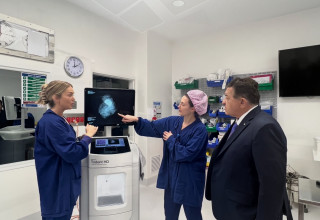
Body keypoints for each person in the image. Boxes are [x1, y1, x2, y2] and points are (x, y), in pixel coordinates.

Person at [205, 77, 292, 220]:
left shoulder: (265, 128)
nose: (223, 101)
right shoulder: (241, 121)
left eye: (227, 97)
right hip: (231, 208)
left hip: (245, 213)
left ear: (242, 102)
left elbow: (272, 187)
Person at [119, 90, 208, 220]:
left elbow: (187, 154)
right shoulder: (173, 122)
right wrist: (136, 120)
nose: (179, 106)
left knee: (193, 215)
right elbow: (153, 127)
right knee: (170, 215)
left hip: (190, 181)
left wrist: (171, 140)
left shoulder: (200, 131)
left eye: (183, 104)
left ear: (193, 108)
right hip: (172, 179)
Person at [34, 80, 98, 220]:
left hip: (64, 182)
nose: (73, 98)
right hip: (57, 186)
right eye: (70, 95)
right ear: (56, 98)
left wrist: (81, 138)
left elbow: (65, 144)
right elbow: (72, 153)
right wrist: (87, 137)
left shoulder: (60, 119)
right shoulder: (51, 123)